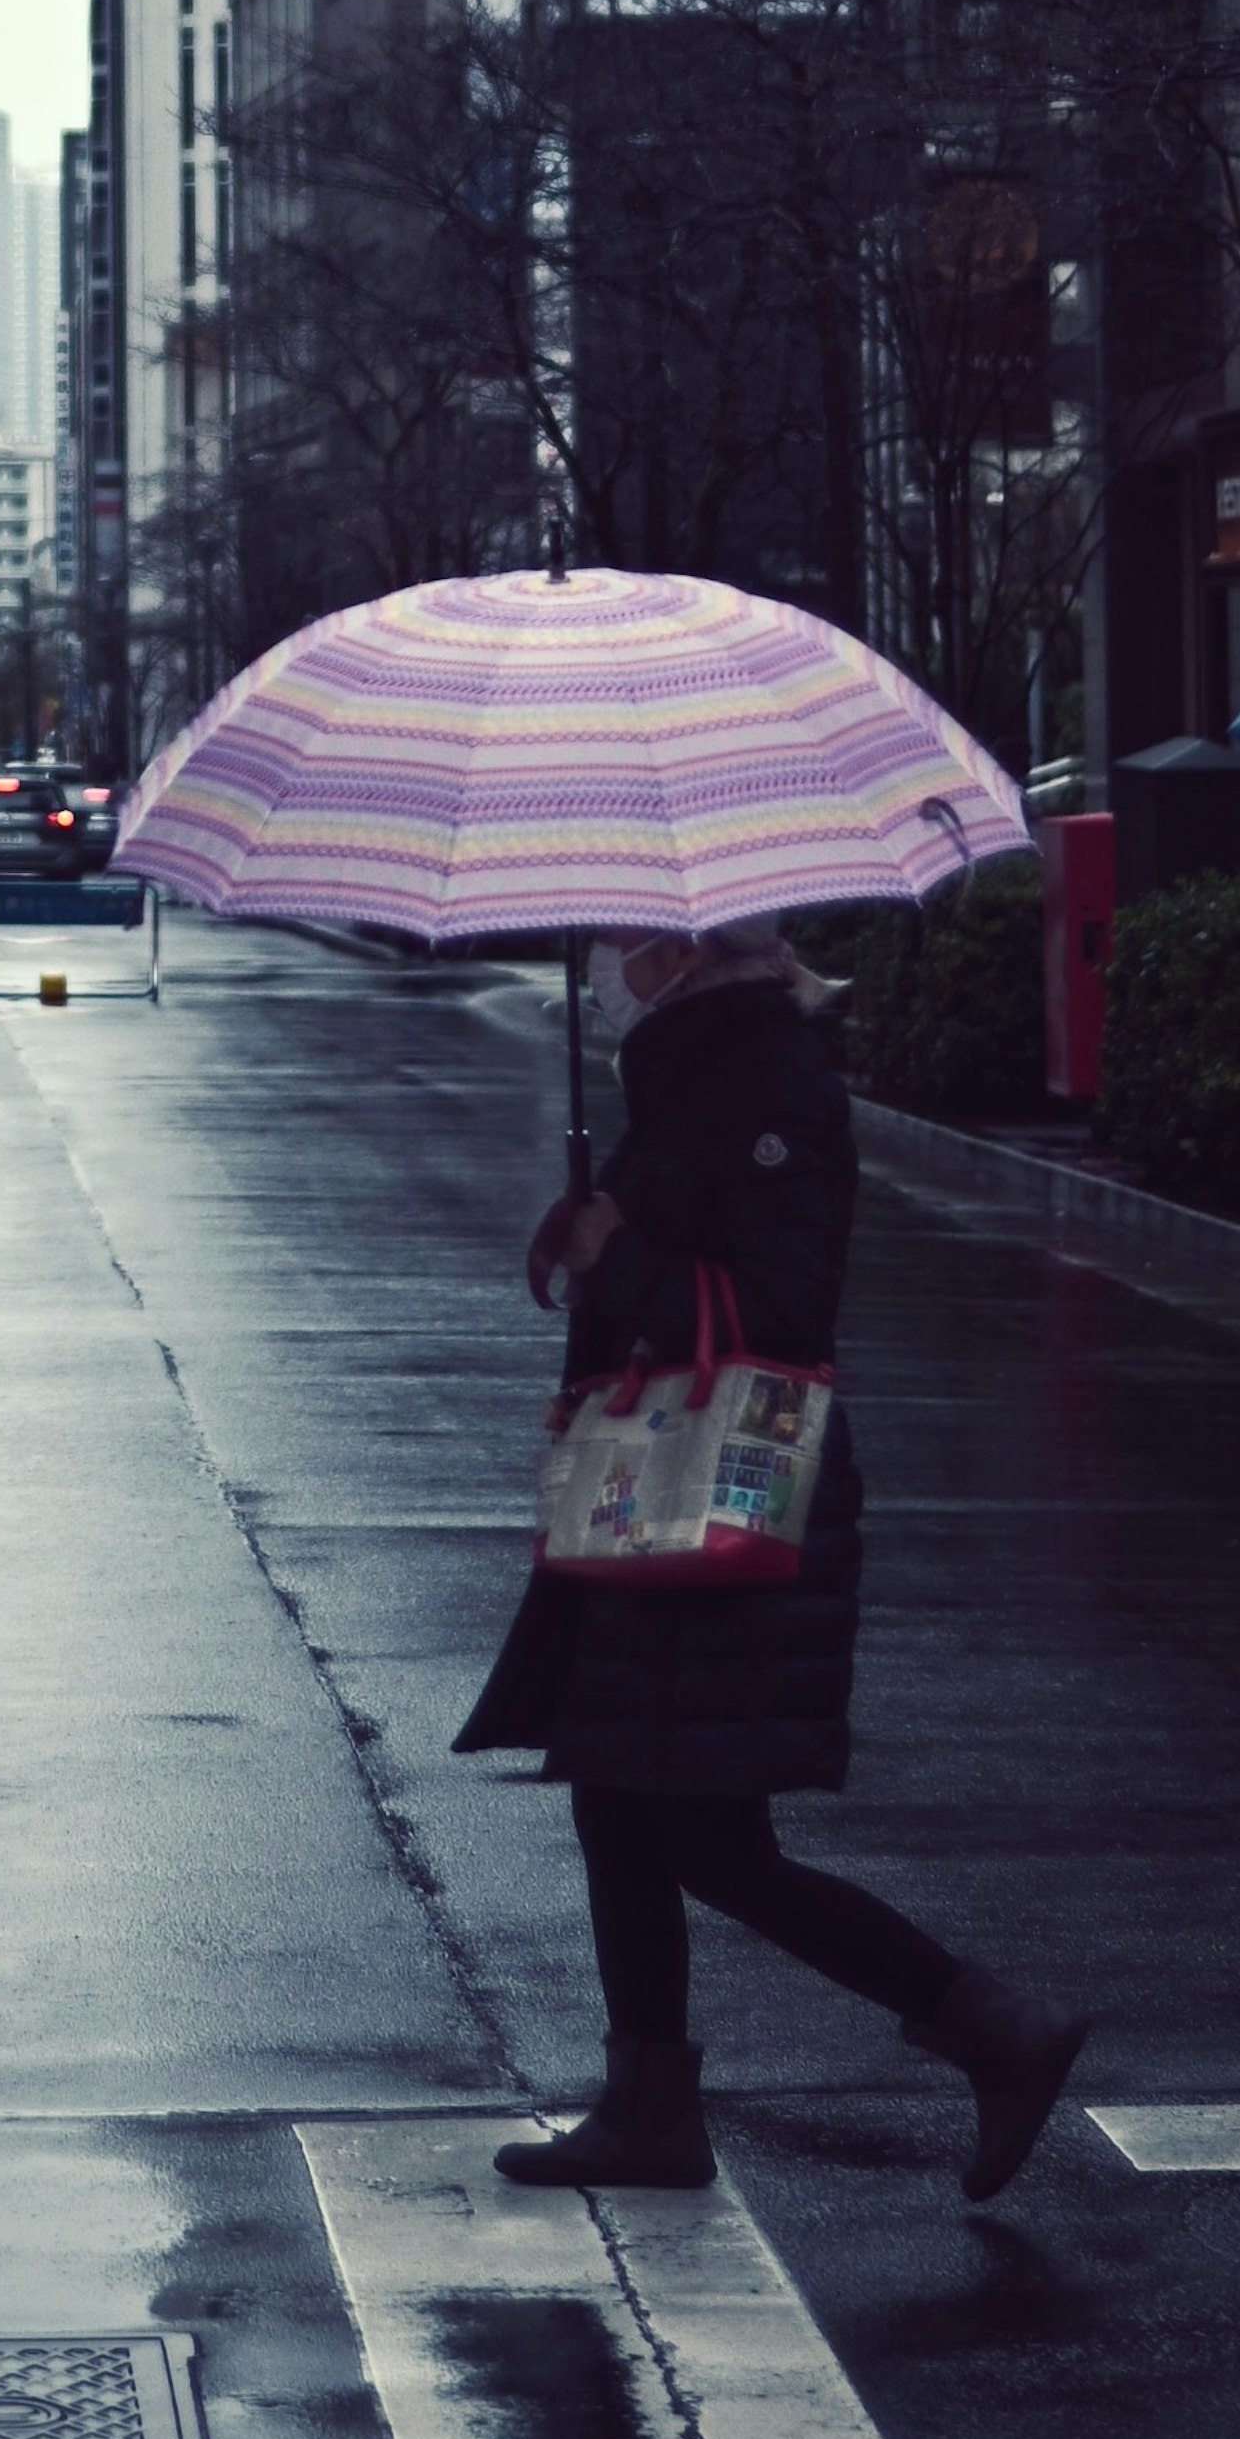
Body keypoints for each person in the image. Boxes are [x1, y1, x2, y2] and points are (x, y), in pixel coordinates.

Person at [458, 921, 1089, 2202]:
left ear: (687, 948)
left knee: (699, 1828)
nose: (605, 958)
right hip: (655, 1464)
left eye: (627, 938)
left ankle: (992, 2028)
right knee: (622, 1786)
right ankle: (651, 2105)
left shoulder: (764, 1076)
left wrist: (617, 1259)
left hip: (727, 1465)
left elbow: (784, 1310)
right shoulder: (695, 1066)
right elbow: (689, 1252)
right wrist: (588, 1234)